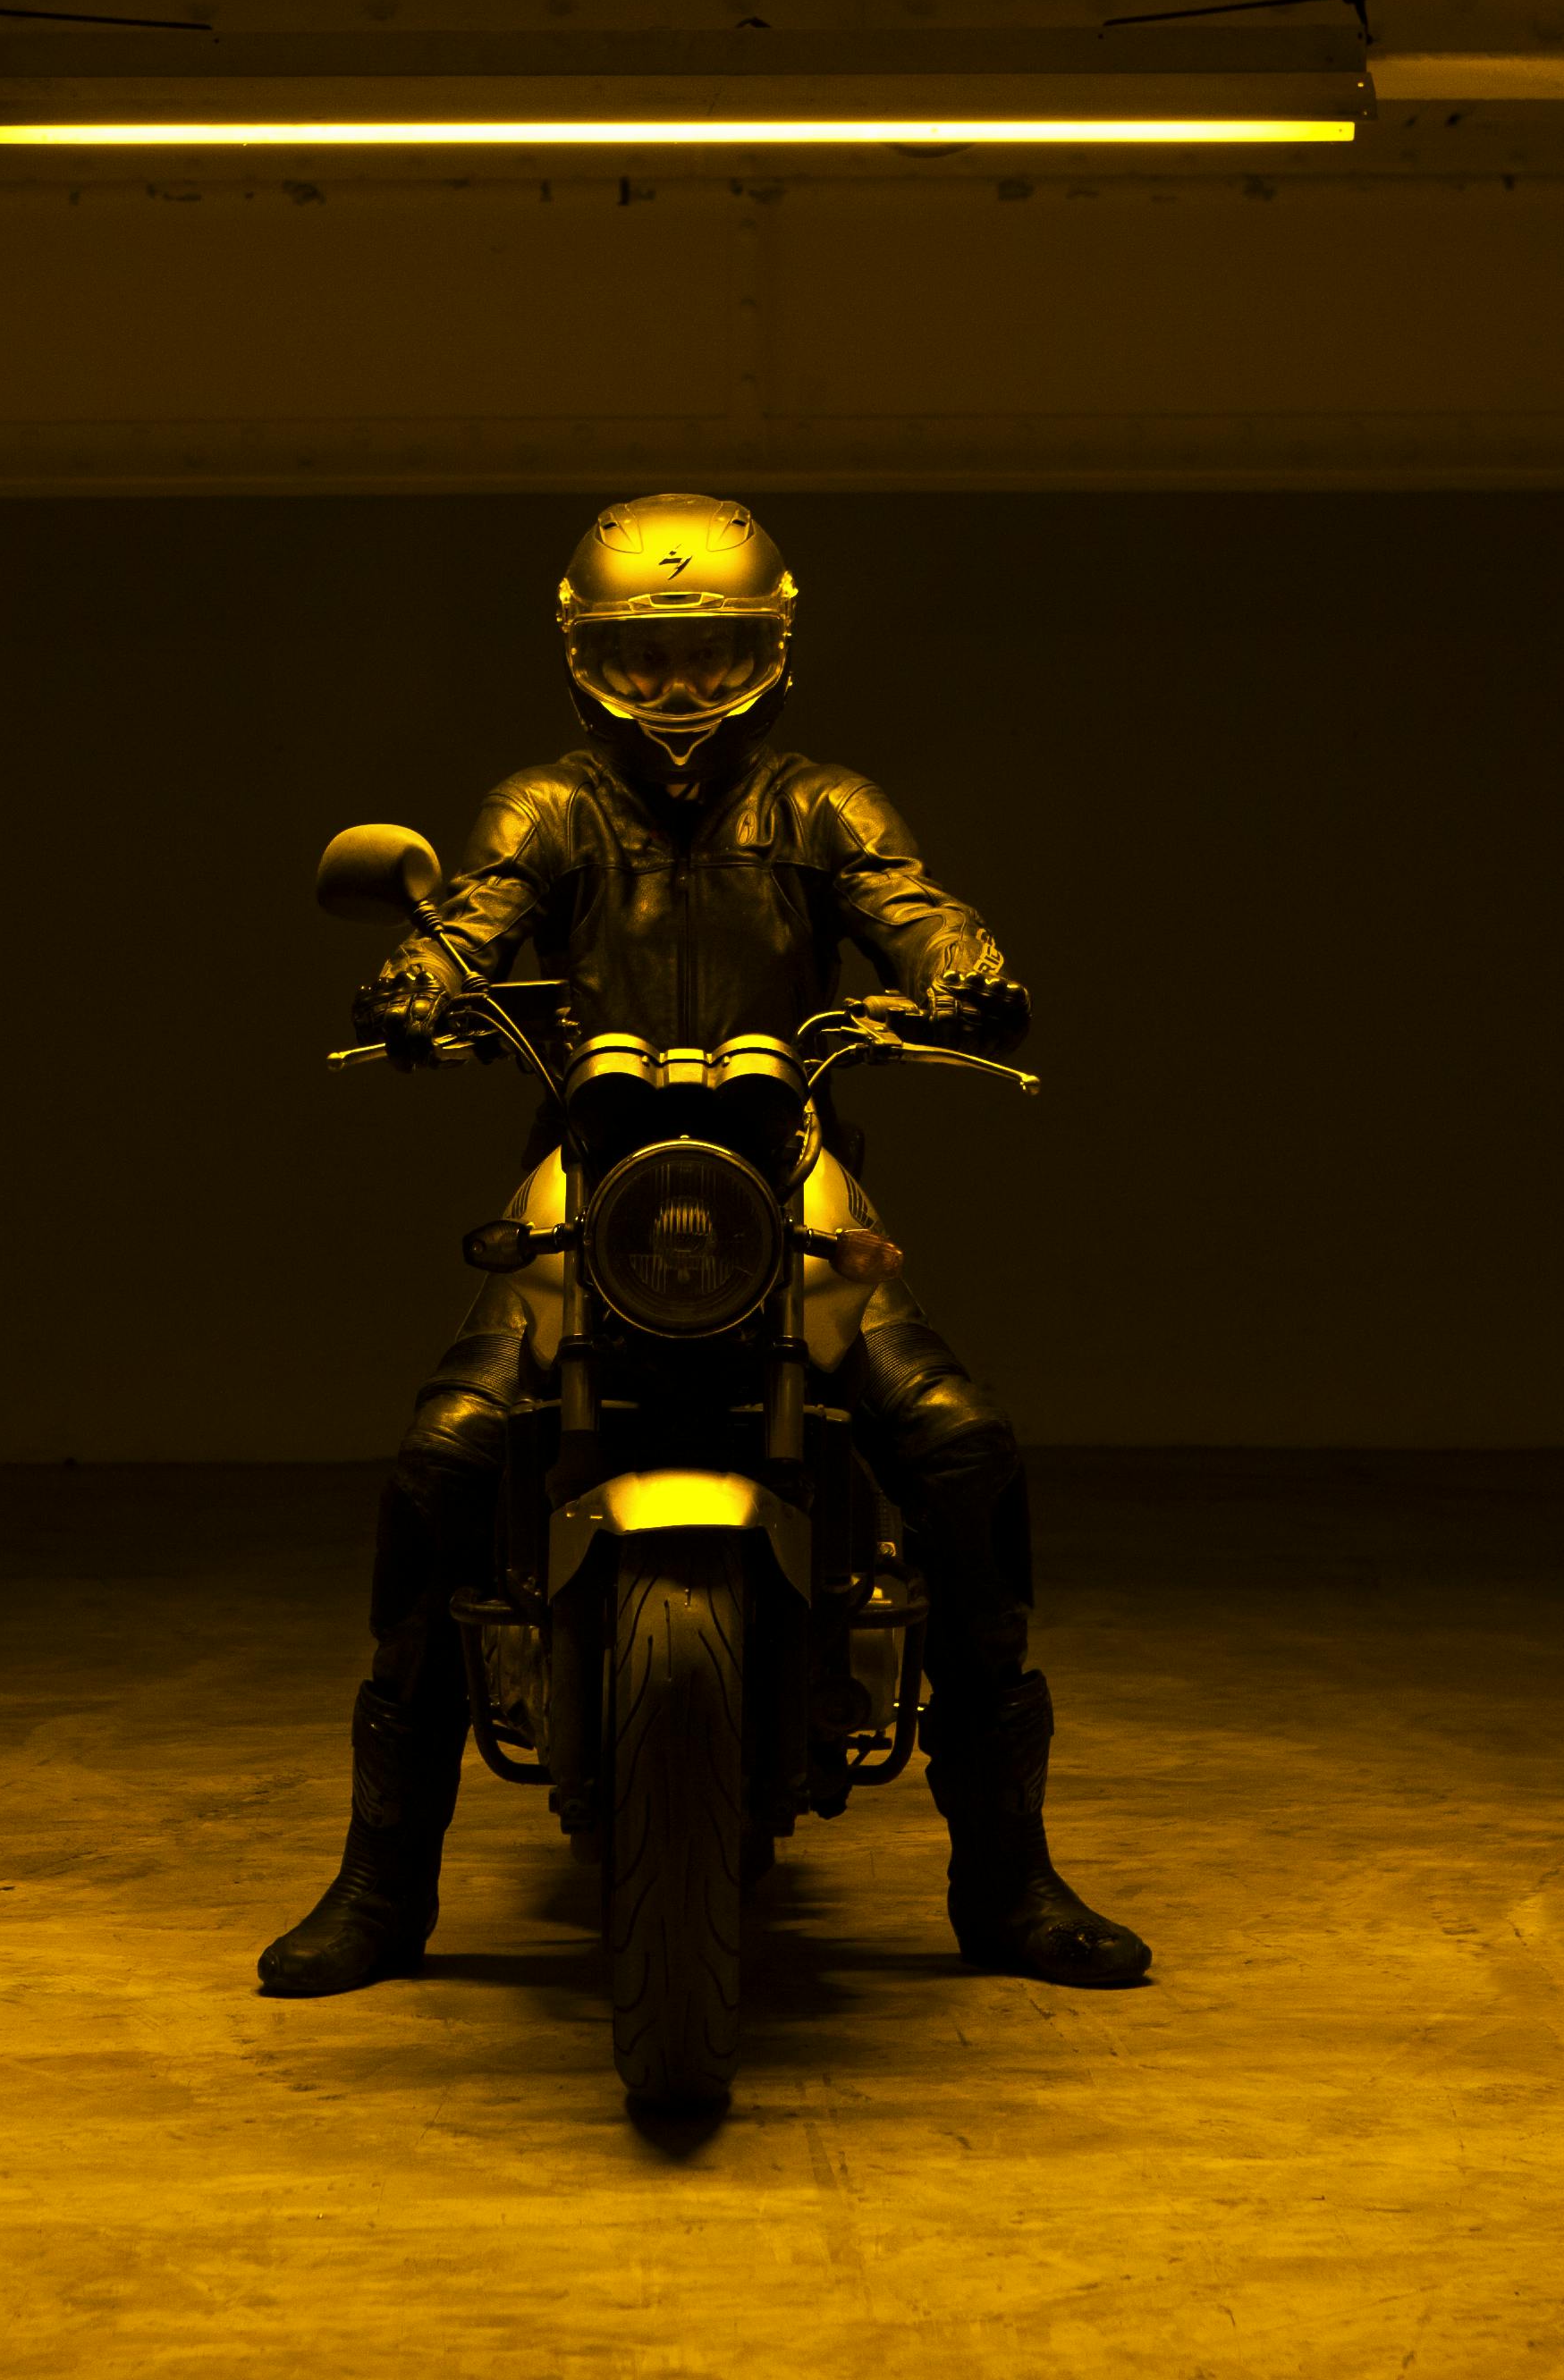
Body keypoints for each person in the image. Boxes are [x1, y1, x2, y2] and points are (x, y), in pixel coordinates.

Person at [258, 494, 1149, 1999]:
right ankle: (380, 1884)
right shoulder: (547, 810)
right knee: (445, 1462)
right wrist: (421, 975)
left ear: (771, 652)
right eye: (645, 659)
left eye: (710, 653)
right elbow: (478, 919)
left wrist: (965, 969)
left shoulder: (828, 807)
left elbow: (909, 907)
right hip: (585, 1172)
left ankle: (1009, 1881)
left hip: (785, 1176)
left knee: (960, 1447)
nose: (677, 689)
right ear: (587, 657)